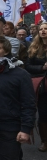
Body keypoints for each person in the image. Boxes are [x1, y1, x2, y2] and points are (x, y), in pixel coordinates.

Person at [25, 22, 47, 152]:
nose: (43, 31)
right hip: (42, 87)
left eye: (46, 29)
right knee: (43, 114)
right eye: (41, 29)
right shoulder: (34, 47)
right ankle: (45, 141)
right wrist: (42, 67)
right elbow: (28, 67)